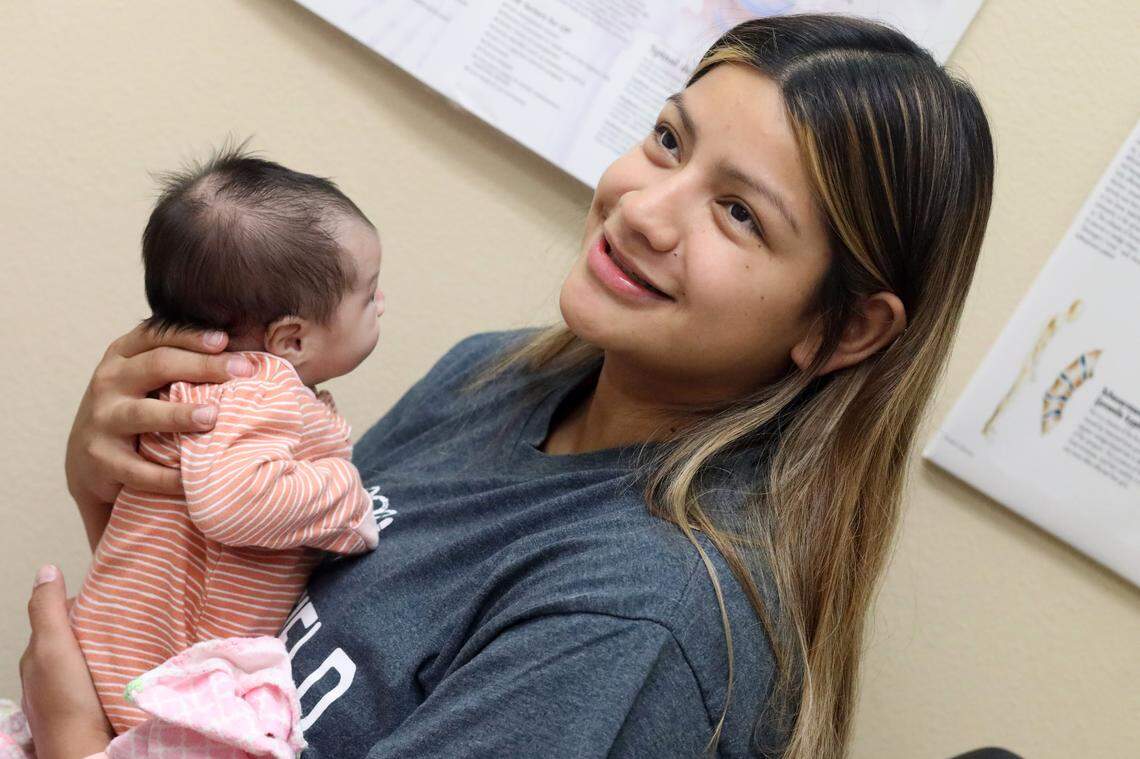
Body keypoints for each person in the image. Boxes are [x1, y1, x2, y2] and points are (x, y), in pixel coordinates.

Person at [20, 14, 994, 759]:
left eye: (738, 212)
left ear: (841, 327)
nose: (645, 209)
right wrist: (122, 488)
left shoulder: (642, 619)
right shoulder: (487, 378)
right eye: (667, 140)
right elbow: (264, 627)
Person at [67, 151, 385, 738]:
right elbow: (233, 503)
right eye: (368, 296)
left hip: (121, 659)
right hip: (164, 692)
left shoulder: (201, 384)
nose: (382, 304)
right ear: (291, 339)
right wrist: (346, 497)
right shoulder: (259, 389)